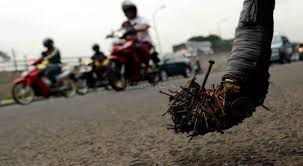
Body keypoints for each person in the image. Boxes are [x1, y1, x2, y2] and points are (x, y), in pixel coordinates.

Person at [121, 0, 153, 66]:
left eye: (129, 10)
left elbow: (146, 26)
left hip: (143, 42)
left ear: (134, 10)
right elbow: (120, 31)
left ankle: (146, 64)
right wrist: (112, 35)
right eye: (126, 11)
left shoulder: (141, 19)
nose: (128, 13)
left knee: (138, 47)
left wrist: (134, 29)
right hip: (130, 43)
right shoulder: (125, 23)